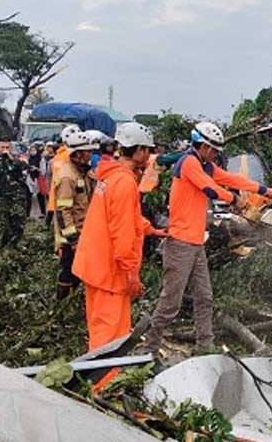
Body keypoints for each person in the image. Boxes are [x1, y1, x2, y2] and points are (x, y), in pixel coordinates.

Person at [145, 122, 272, 354]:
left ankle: (204, 347)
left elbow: (230, 178)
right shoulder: (188, 163)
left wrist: (262, 190)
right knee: (170, 303)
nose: (216, 154)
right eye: (214, 149)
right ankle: (149, 349)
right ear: (204, 146)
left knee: (205, 298)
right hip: (180, 243)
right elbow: (211, 189)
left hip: (196, 242)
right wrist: (235, 200)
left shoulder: (205, 164)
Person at [72, 123, 166, 390]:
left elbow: (123, 218)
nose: (148, 156)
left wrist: (151, 229)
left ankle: (95, 384)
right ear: (136, 151)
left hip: (95, 266)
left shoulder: (110, 176)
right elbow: (122, 233)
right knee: (110, 340)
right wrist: (131, 274)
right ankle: (101, 391)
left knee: (100, 331)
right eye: (146, 150)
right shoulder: (124, 182)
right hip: (110, 272)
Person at [53, 131, 97, 300]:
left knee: (81, 271)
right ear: (78, 154)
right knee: (69, 271)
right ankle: (61, 305)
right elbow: (63, 211)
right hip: (71, 237)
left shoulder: (84, 173)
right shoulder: (67, 177)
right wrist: (73, 240)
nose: (91, 155)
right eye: (88, 152)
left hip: (84, 231)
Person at [46, 124, 80, 227]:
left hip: (56, 194)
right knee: (67, 221)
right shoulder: (70, 156)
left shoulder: (57, 157)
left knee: (58, 220)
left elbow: (50, 177)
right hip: (70, 195)